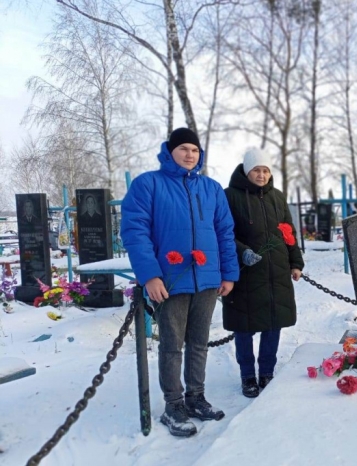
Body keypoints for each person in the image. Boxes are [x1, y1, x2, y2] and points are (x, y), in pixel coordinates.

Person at [121, 127, 239, 437]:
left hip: (208, 279)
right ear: (170, 151)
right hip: (171, 280)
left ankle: (195, 397)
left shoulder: (212, 189)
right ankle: (173, 404)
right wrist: (150, 275)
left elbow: (225, 232)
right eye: (184, 148)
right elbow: (135, 232)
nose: (190, 154)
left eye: (195, 150)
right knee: (172, 345)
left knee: (199, 343)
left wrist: (228, 273)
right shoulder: (149, 185)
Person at [222, 147, 304, 398]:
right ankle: (247, 375)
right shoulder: (229, 196)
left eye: (266, 170)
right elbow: (223, 232)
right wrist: (242, 252)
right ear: (247, 171)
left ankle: (267, 371)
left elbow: (289, 231)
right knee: (244, 326)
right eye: (256, 169)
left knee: (273, 323)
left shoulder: (277, 197)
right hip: (246, 271)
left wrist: (295, 262)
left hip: (275, 271)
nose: (261, 174)